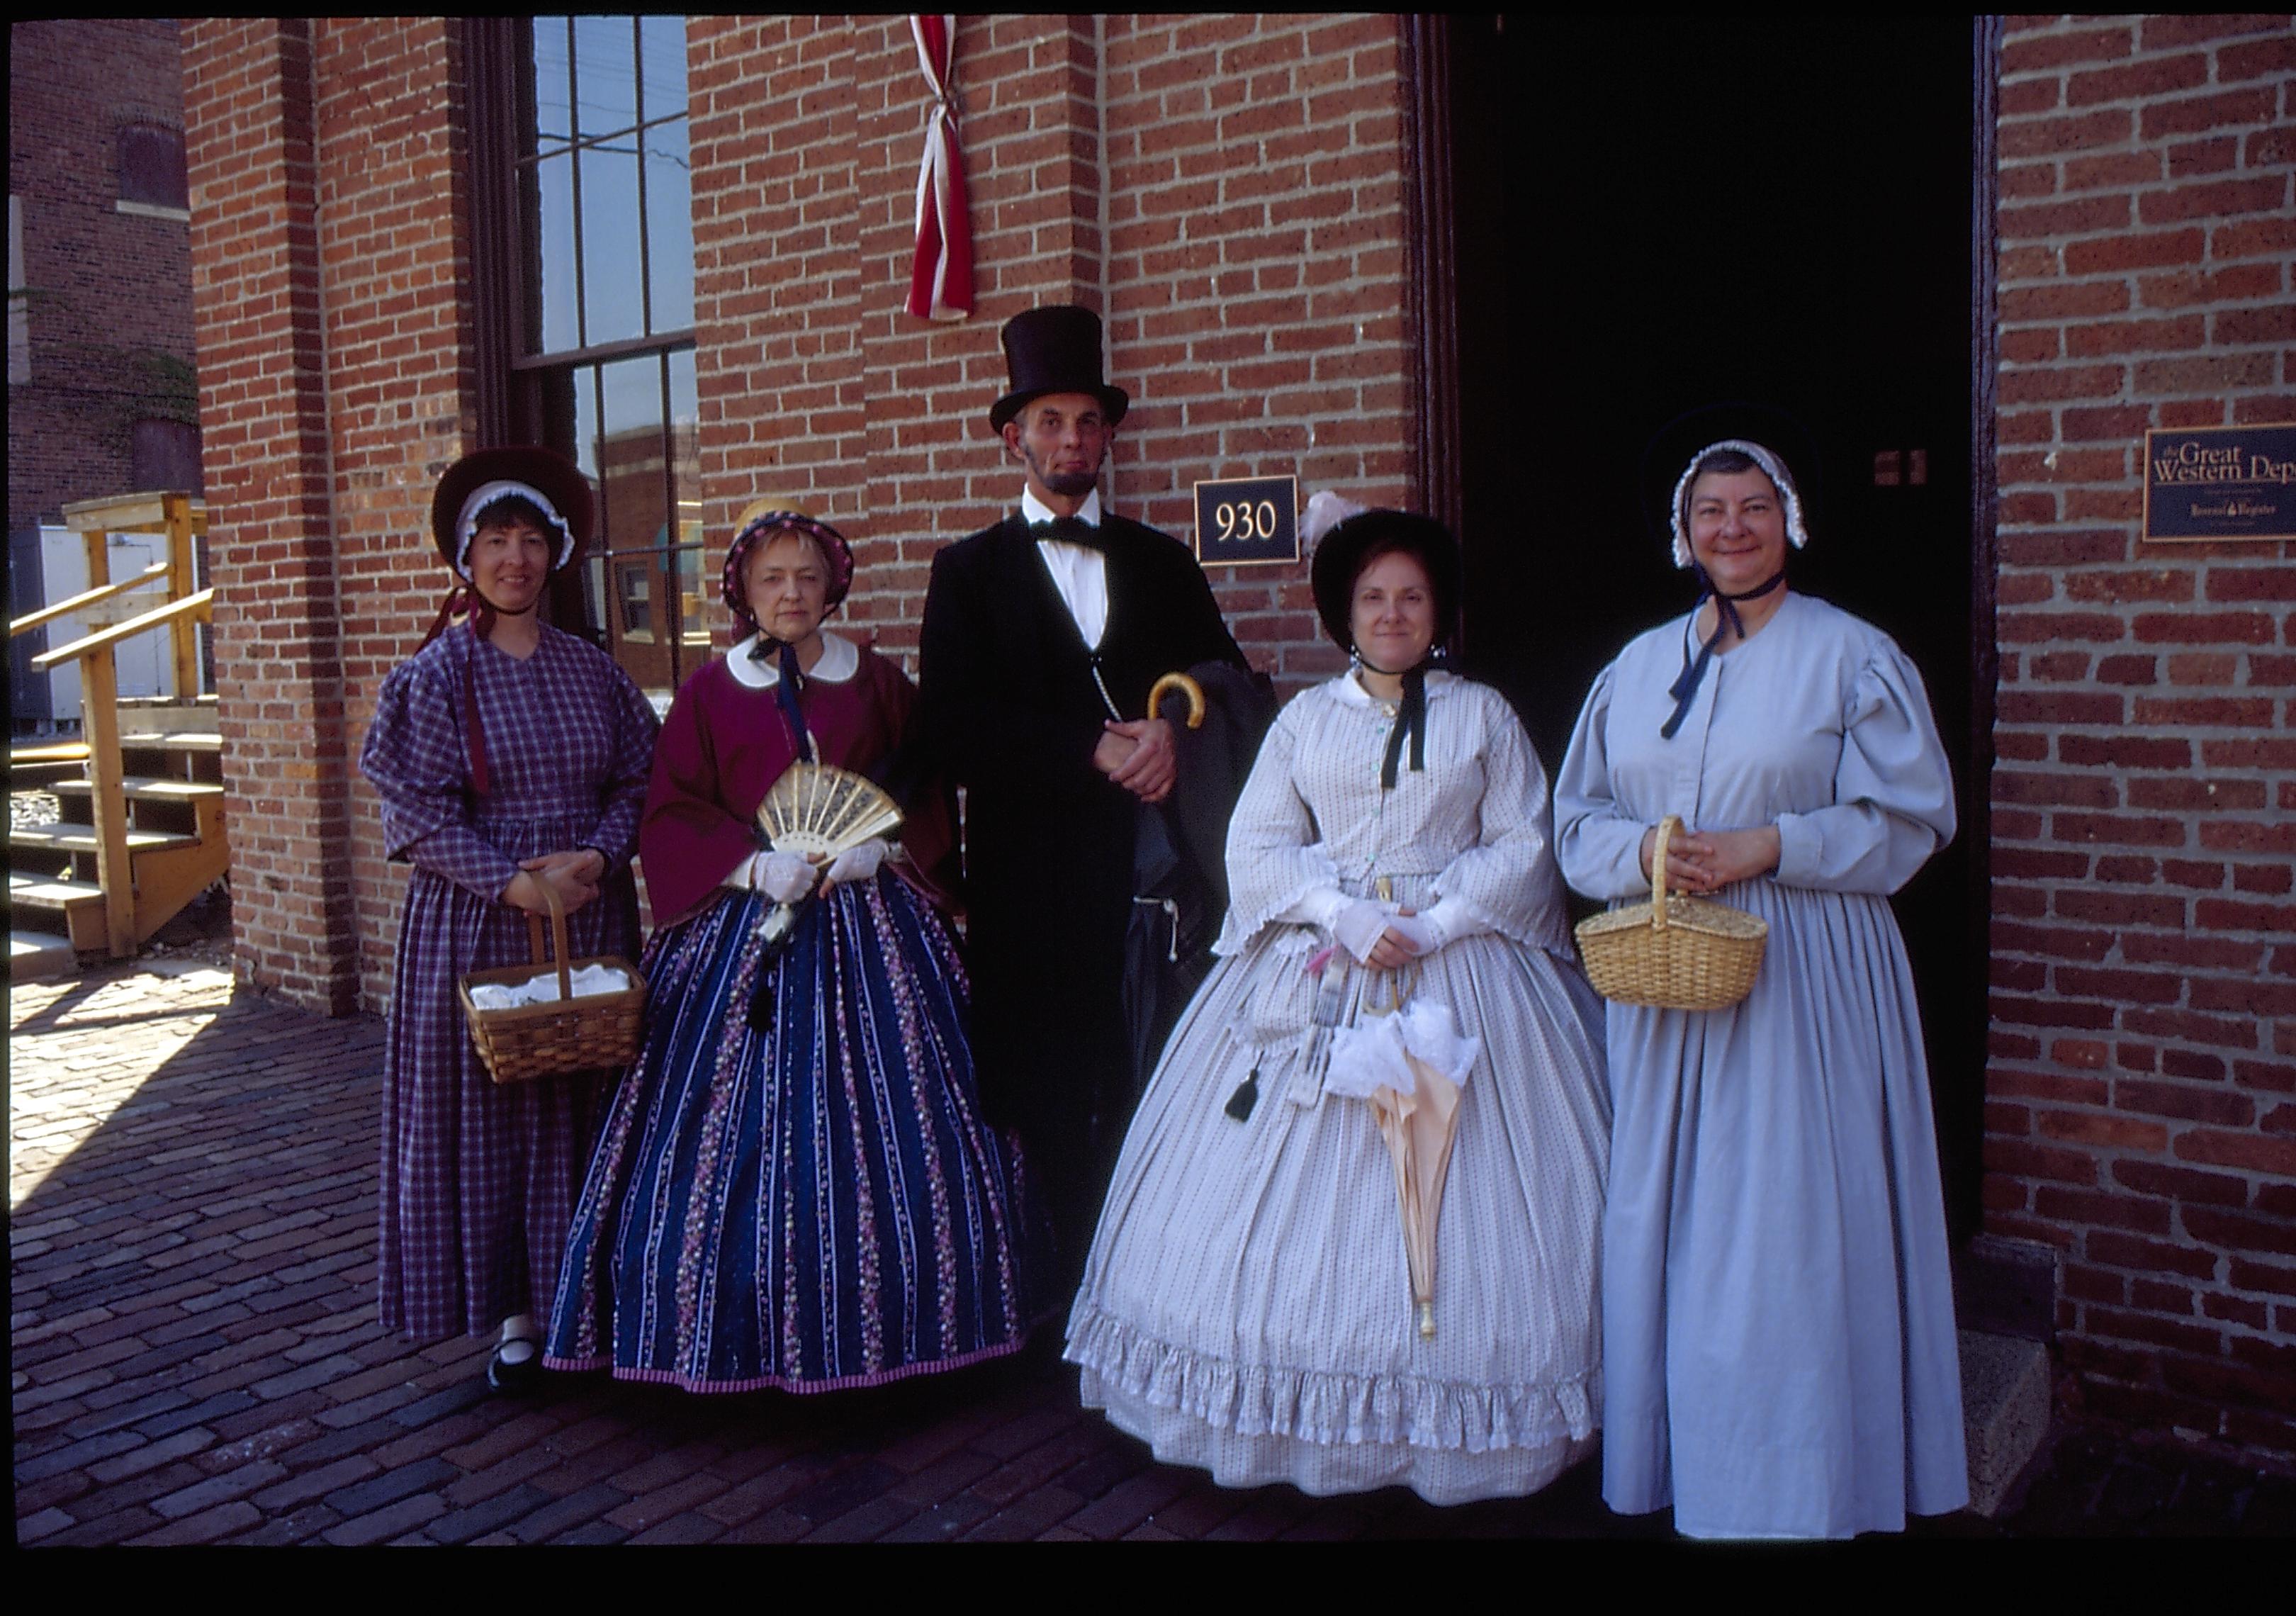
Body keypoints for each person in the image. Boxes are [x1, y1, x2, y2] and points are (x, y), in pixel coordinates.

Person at [1064, 504, 1612, 1504]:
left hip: (1463, 955)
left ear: (1436, 609)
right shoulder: (1307, 720)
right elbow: (1258, 845)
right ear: (1344, 612)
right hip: (1327, 957)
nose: (1392, 613)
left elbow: (1525, 839)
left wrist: (1437, 924)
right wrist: (1337, 915)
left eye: (1410, 596)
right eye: (1372, 597)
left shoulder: (1482, 713)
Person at [1553, 437, 1966, 1538]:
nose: (1731, 529)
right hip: (1666, 977)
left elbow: (1912, 819)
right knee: (1673, 1220)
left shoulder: (1852, 655)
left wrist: (1770, 846)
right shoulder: (1635, 669)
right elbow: (1577, 824)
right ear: (1680, 533)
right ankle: (1680, 1464)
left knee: (1784, 1235)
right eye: (1709, 512)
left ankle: (1797, 1487)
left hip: (1806, 977)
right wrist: (1647, 854)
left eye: (1753, 508)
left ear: (1791, 518)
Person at [544, 508, 1050, 1391]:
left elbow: (920, 783)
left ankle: (921, 1323)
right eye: (773, 578)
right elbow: (672, 812)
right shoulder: (709, 692)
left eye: (808, 578)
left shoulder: (878, 681)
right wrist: (748, 865)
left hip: (871, 919)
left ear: (832, 586)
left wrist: (881, 848)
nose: (791, 594)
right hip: (748, 922)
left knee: (916, 1117)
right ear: (742, 587)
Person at [918, 303, 1247, 1279]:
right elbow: (951, 727)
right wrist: (1085, 749)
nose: (1072, 440)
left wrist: (1173, 735)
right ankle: (1063, 1289)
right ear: (1014, 438)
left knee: (1152, 1065)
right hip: (1033, 878)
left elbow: (1226, 685)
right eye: (1050, 423)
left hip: (1153, 878)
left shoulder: (1165, 561)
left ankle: (1152, 1279)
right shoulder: (966, 573)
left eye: (1088, 422)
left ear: (1108, 435)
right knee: (1049, 1087)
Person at [359, 446, 660, 1391]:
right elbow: (413, 811)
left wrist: (600, 858)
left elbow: (644, 780)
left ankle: (592, 1303)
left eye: (532, 540)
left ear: (557, 552)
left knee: (589, 1108)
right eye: (498, 541)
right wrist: (513, 883)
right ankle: (517, 1320)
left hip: (589, 915)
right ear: (467, 555)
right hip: (481, 924)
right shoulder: (436, 675)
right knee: (499, 1114)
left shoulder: (594, 670)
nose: (516, 559)